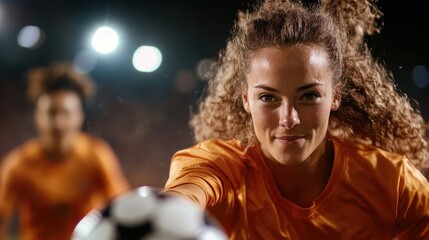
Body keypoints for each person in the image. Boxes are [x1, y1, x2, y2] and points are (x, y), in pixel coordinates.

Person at [162, 0, 429, 239]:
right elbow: (186, 192)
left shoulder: (393, 183)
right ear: (246, 100)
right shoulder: (219, 167)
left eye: (309, 96)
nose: (288, 119)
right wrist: (166, 214)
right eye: (268, 98)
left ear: (335, 96)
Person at [0, 62, 130, 240]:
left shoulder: (96, 155)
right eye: (51, 113)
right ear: (38, 117)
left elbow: (123, 208)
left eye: (66, 113)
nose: (58, 123)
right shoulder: (18, 164)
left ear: (79, 116)